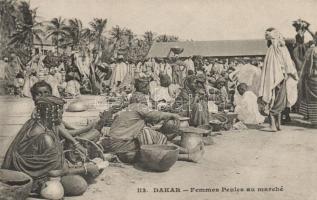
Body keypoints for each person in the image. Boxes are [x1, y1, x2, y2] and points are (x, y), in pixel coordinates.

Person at [1, 95, 100, 194]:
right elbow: (54, 171)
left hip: (36, 169)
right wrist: (85, 168)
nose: (62, 114)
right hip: (34, 175)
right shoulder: (45, 137)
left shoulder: (37, 123)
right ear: (51, 113)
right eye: (60, 111)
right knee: (79, 184)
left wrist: (75, 146)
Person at [99, 92, 204, 163]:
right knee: (151, 136)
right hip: (123, 146)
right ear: (139, 100)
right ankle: (188, 153)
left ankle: (188, 154)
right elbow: (156, 115)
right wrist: (172, 115)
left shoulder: (126, 110)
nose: (145, 102)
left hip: (117, 145)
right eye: (144, 100)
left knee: (148, 137)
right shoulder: (137, 106)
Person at [259, 28, 298, 131]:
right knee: (280, 101)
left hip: (274, 80)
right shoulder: (282, 49)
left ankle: (273, 126)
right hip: (282, 79)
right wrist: (294, 75)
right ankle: (278, 125)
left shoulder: (272, 49)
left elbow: (269, 69)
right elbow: (288, 64)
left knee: (273, 100)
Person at [299, 45, 317, 126]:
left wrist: (301, 76)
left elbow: (305, 65)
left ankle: (314, 119)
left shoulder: (311, 50)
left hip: (312, 76)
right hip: (312, 76)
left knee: (312, 100)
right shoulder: (311, 50)